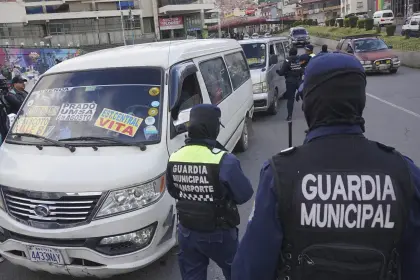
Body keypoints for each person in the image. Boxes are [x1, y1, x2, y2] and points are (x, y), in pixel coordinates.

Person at [232, 53, 420, 280]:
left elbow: (249, 271)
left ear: (311, 103)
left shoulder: (280, 175)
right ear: (360, 101)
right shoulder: (404, 173)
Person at [166, 104, 253, 280]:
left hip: (187, 231)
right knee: (236, 272)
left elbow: (174, 191)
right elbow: (244, 194)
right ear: (213, 127)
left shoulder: (175, 157)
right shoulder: (224, 159)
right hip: (219, 233)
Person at [276, 47, 302, 121]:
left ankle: (289, 116)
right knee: (305, 97)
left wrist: (276, 71)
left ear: (290, 52)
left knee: (290, 99)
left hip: (290, 82)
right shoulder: (299, 59)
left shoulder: (287, 60)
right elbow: (302, 68)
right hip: (299, 80)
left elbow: (281, 72)